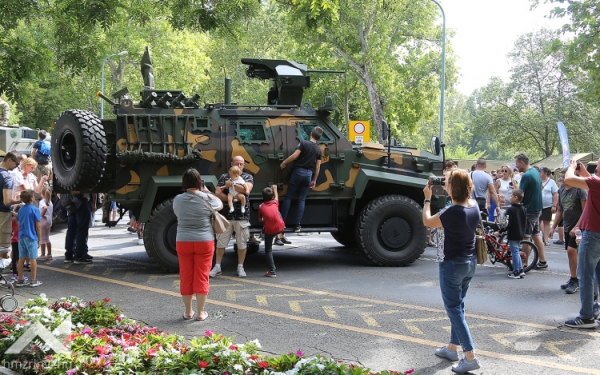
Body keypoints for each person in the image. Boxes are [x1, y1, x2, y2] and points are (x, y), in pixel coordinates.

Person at [422, 169, 481, 373]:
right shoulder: (474, 206)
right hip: (469, 263)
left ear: (452, 188)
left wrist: (427, 199)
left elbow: (427, 221)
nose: (444, 184)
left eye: (447, 182)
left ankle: (470, 355)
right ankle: (451, 348)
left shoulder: (450, 212)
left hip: (452, 264)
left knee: (454, 310)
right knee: (459, 307)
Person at [173, 168, 222, 321]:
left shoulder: (177, 199)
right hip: (204, 241)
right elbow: (220, 204)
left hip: (183, 240)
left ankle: (188, 312)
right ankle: (201, 313)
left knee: (186, 275)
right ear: (199, 182)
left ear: (184, 183)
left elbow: (177, 214)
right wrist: (207, 191)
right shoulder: (207, 198)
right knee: (202, 276)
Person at [562, 159, 600, 328]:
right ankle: (594, 309)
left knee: (585, 276)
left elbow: (568, 180)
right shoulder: (595, 182)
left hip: (592, 234)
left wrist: (571, 168)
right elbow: (592, 183)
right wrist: (584, 173)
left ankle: (586, 316)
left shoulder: (596, 182)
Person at [276, 126, 323, 245]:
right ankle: (297, 225)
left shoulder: (303, 143)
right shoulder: (318, 149)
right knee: (301, 200)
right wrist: (314, 179)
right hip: (308, 174)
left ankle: (283, 222)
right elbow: (318, 167)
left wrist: (284, 162)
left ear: (311, 134)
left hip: (298, 172)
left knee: (288, 197)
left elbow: (294, 156)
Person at [210, 155, 254, 278]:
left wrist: (231, 184)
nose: (239, 166)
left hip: (242, 216)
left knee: (242, 244)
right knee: (220, 243)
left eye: (242, 164)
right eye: (237, 164)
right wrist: (234, 197)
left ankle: (240, 267)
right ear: (232, 164)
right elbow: (218, 192)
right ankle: (217, 267)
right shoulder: (224, 176)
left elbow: (247, 190)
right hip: (226, 216)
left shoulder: (248, 177)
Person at [550, 168, 587, 294]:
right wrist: (553, 227)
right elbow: (560, 210)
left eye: (563, 177)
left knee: (572, 251)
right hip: (567, 226)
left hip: (580, 227)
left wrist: (577, 227)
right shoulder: (562, 190)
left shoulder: (580, 190)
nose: (561, 179)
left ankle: (575, 280)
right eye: (560, 177)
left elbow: (585, 211)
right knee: (571, 253)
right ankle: (574, 277)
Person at [514, 153, 547, 269]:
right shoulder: (535, 172)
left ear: (522, 163)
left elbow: (520, 194)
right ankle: (543, 260)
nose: (516, 165)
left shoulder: (527, 175)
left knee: (526, 237)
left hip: (529, 209)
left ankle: (524, 263)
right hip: (537, 208)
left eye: (517, 163)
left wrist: (515, 189)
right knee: (536, 234)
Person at [15, 190, 41, 287]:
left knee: (21, 258)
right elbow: (38, 226)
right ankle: (33, 280)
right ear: (32, 198)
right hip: (31, 236)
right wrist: (40, 238)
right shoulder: (35, 209)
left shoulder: (21, 210)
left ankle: (20, 279)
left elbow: (18, 222)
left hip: (21, 236)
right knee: (33, 258)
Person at [258, 185, 285, 277]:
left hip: (269, 230)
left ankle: (272, 270)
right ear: (272, 197)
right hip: (279, 227)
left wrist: (265, 219)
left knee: (268, 250)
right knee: (278, 212)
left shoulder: (261, 206)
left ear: (262, 197)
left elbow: (260, 219)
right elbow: (277, 197)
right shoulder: (275, 203)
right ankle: (282, 233)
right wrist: (275, 189)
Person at [64, 193, 96, 264]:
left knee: (71, 229)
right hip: (82, 200)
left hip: (71, 201)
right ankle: (80, 255)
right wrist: (94, 203)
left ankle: (69, 254)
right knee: (82, 229)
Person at [0, 152, 22, 254]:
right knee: (3, 250)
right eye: (17, 164)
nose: (17, 167)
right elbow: (7, 201)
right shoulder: (7, 177)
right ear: (9, 160)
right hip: (3, 215)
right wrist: (19, 200)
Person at [504, 189, 527, 279]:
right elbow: (525, 222)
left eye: (511, 196)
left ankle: (516, 271)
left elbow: (507, 223)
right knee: (516, 250)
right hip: (520, 233)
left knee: (515, 252)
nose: (510, 197)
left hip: (513, 233)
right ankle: (520, 270)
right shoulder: (524, 209)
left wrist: (501, 231)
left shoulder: (511, 210)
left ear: (516, 198)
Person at [539, 167, 559, 246]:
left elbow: (555, 194)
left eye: (541, 172)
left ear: (546, 173)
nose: (539, 174)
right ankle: (541, 235)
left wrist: (554, 205)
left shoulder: (551, 182)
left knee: (546, 222)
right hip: (538, 205)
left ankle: (546, 239)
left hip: (548, 205)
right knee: (538, 222)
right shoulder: (538, 181)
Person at [38, 186, 53, 261]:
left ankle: (43, 255)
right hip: (49, 221)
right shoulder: (50, 201)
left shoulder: (42, 202)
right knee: (47, 238)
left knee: (42, 239)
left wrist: (42, 215)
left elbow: (44, 208)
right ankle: (49, 254)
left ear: (42, 194)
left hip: (43, 221)